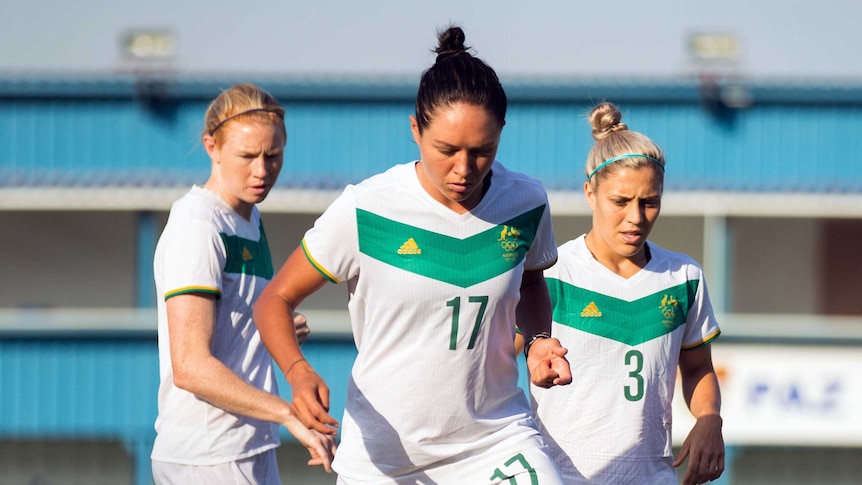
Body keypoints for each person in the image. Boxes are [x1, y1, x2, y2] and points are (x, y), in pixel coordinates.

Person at [253, 26, 572, 484]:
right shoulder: (366, 208)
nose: (464, 169)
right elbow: (274, 300)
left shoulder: (525, 202)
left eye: (483, 152)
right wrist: (298, 372)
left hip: (494, 441)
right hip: (386, 461)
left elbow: (530, 280)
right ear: (415, 130)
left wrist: (539, 339)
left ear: (501, 133)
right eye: (447, 150)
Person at [527, 101, 724, 485]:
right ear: (590, 193)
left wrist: (709, 418)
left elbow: (698, 368)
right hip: (562, 477)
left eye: (649, 202)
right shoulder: (550, 273)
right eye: (620, 201)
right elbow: (497, 360)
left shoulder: (683, 277)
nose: (636, 217)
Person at [150, 83, 336, 484]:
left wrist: (272, 328)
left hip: (247, 445)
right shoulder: (198, 225)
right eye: (247, 156)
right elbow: (191, 367)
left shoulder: (250, 219)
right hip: (207, 457)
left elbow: (230, 323)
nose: (261, 170)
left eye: (273, 156)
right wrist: (289, 413)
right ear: (211, 147)